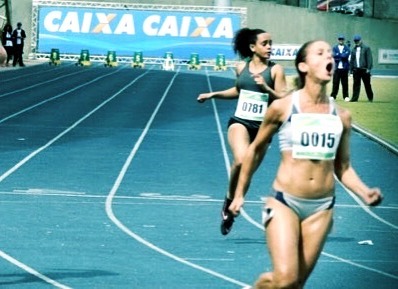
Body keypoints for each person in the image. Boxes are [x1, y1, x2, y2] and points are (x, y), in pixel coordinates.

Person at [229, 40, 383, 288]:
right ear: (303, 66)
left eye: (330, 54)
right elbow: (254, 150)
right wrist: (238, 196)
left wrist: (365, 192)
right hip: (284, 202)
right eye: (320, 53)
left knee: (294, 283)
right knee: (286, 277)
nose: (328, 57)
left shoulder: (342, 116)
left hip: (322, 208)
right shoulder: (283, 107)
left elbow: (342, 167)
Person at [197, 28, 287, 235]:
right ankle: (229, 200)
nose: (270, 47)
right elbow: (239, 91)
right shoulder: (241, 68)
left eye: (271, 43)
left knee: (247, 172)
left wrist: (267, 89)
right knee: (240, 160)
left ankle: (232, 209)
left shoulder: (275, 71)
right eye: (265, 44)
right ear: (252, 47)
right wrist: (213, 95)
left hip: (263, 129)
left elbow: (283, 100)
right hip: (240, 122)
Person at [349, 35, 374, 102]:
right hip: (356, 70)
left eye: (357, 40)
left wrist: (369, 68)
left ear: (360, 40)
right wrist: (351, 70)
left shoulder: (366, 48)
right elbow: (352, 60)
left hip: (364, 70)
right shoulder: (353, 49)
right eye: (355, 41)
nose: (356, 42)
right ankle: (354, 99)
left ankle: (370, 98)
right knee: (356, 85)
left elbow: (369, 59)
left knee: (367, 85)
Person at [330, 34, 350, 101]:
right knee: (335, 83)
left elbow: (346, 56)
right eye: (340, 39)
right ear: (338, 40)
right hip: (337, 68)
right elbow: (334, 56)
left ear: (343, 40)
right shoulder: (335, 48)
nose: (341, 40)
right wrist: (341, 56)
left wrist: (338, 55)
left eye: (342, 39)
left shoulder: (347, 48)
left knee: (345, 83)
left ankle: (346, 96)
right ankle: (333, 96)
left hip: (344, 68)